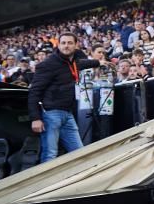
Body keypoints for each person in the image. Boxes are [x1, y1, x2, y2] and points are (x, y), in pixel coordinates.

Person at [27, 33, 103, 163]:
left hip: (67, 114)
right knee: (50, 154)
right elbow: (34, 92)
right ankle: (46, 183)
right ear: (58, 45)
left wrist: (99, 62)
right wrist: (35, 118)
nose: (66, 46)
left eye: (69, 43)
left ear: (75, 45)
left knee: (79, 153)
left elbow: (84, 63)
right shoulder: (48, 64)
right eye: (63, 43)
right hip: (51, 114)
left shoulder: (73, 62)